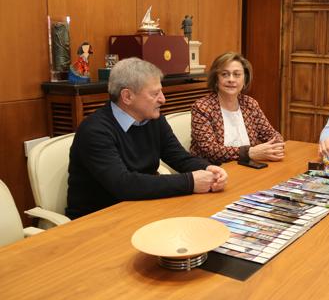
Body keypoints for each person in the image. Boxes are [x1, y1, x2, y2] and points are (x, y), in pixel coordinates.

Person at [66, 58, 227, 219]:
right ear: (127, 96)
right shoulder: (95, 130)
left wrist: (210, 170)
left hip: (142, 208)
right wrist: (190, 182)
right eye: (155, 93)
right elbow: (123, 184)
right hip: (98, 219)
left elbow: (179, 158)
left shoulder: (153, 119)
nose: (163, 99)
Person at [190, 52, 284, 164]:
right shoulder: (202, 107)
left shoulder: (250, 104)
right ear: (216, 79)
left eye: (237, 74)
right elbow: (210, 149)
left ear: (244, 79)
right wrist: (250, 152)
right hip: (214, 171)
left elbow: (271, 135)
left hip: (247, 166)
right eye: (225, 74)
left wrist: (275, 145)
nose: (231, 79)